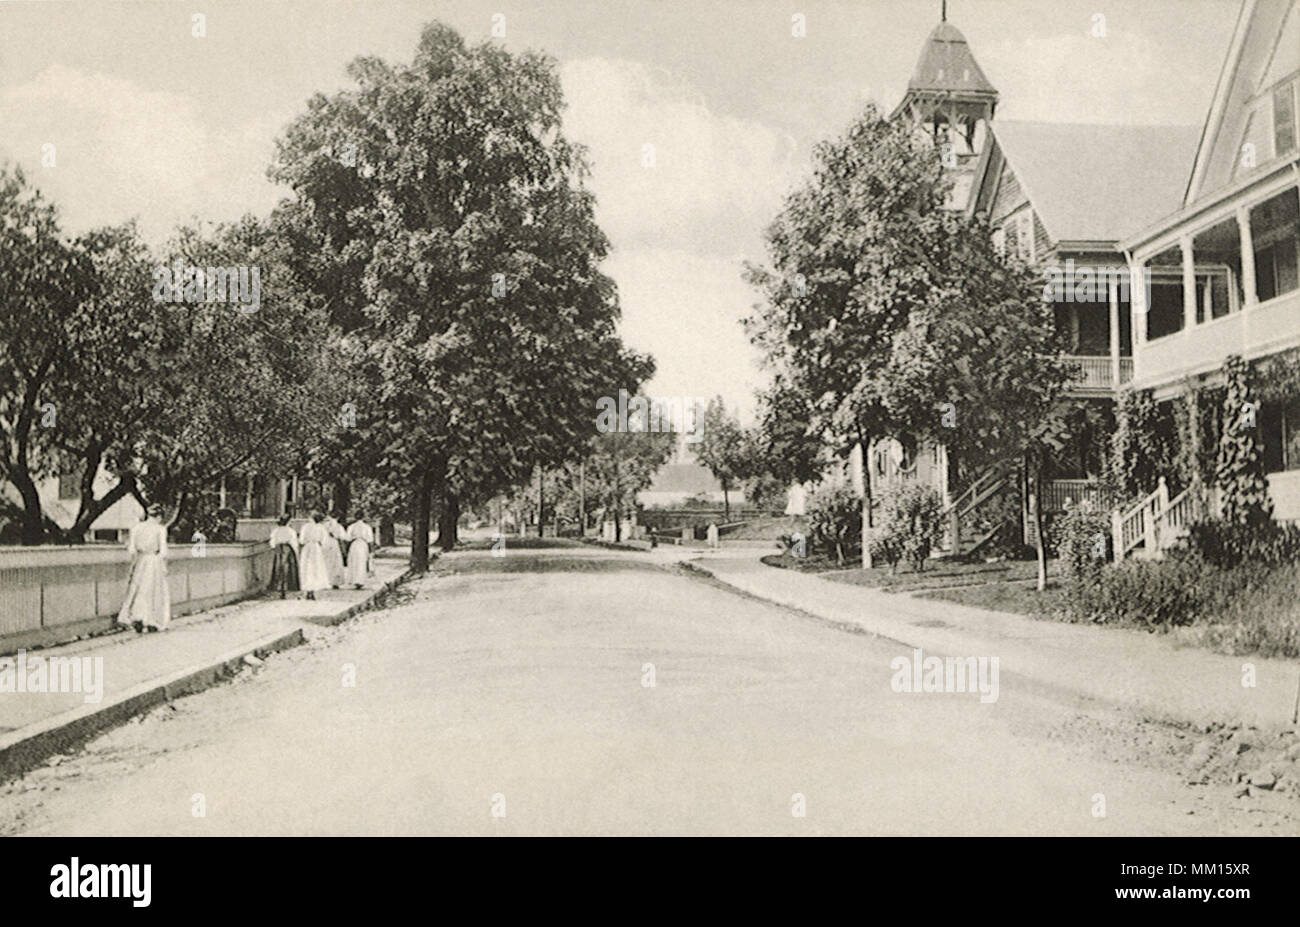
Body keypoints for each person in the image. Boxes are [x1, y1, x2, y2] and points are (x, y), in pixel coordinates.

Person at [117, 503, 171, 633]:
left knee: (137, 590)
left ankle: (137, 616)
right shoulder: (160, 529)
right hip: (153, 561)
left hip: (140, 561)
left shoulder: (136, 528)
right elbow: (163, 551)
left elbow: (131, 549)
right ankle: (152, 620)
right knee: (153, 591)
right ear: (159, 516)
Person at [297, 511, 331, 600]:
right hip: (316, 548)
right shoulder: (321, 528)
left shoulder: (306, 527)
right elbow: (325, 541)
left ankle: (308, 590)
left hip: (307, 548)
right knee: (315, 569)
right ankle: (313, 590)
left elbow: (301, 540)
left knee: (307, 568)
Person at [268, 514, 300, 598]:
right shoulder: (290, 531)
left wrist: (275, 547)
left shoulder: (276, 530)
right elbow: (294, 542)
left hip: (279, 549)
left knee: (279, 568)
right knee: (288, 568)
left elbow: (272, 542)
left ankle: (279, 587)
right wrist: (295, 551)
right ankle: (286, 588)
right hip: (287, 549)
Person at [345, 512, 374, 589]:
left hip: (354, 544)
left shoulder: (351, 527)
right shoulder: (367, 527)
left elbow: (347, 538)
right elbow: (370, 540)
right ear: (363, 517)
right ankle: (360, 581)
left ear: (355, 517)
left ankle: (355, 580)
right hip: (363, 545)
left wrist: (347, 548)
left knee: (354, 562)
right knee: (362, 562)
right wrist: (371, 550)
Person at [322, 510, 348, 589]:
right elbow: (344, 537)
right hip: (334, 543)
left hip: (325, 543)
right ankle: (334, 582)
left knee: (325, 561)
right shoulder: (338, 526)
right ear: (338, 517)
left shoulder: (324, 525)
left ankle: (325, 580)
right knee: (335, 562)